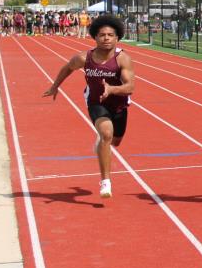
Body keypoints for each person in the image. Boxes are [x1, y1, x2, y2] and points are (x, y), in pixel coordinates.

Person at [42, 15, 135, 199]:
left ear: (117, 38)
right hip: (96, 102)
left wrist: (112, 89)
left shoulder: (123, 59)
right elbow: (67, 68)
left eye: (110, 35)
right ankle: (106, 182)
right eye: (102, 35)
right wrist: (55, 86)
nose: (106, 38)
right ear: (95, 37)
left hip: (119, 104)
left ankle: (101, 143)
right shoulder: (84, 58)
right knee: (106, 134)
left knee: (115, 141)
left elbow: (130, 87)